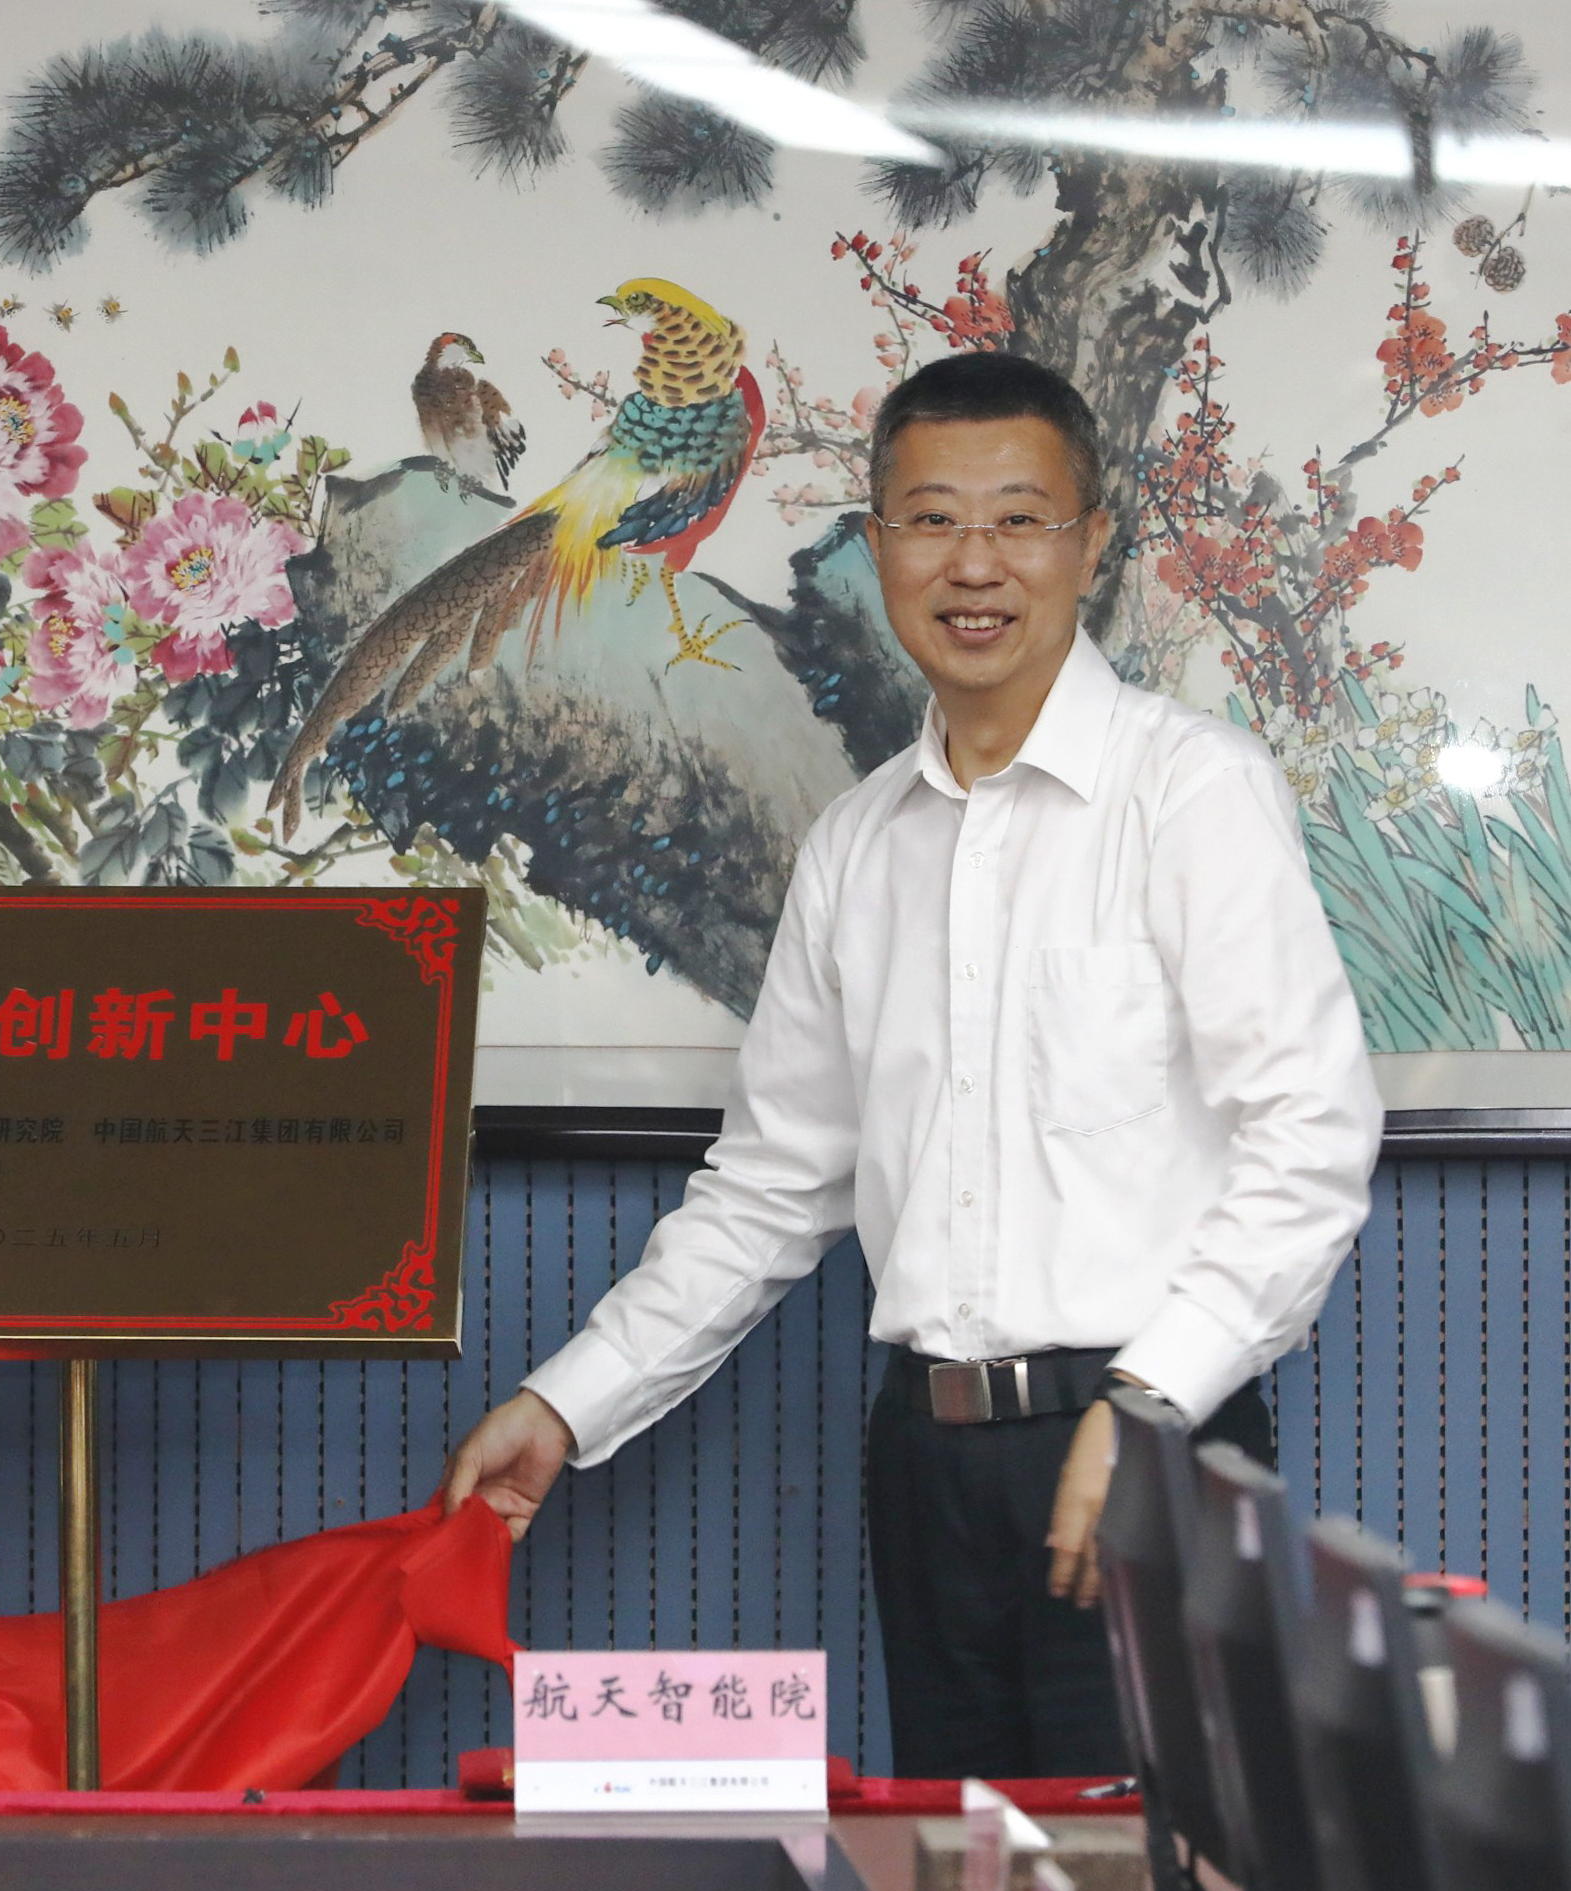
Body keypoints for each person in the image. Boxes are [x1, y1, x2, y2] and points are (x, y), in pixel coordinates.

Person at [440, 350, 1381, 1779]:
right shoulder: (858, 845)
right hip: (927, 1466)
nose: (974, 562)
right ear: (880, 546)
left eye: (1019, 519)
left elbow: (1310, 1142)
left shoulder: (1192, 792)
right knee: (959, 1869)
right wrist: (571, 1401)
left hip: (1153, 1443)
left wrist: (1149, 1404)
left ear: (1092, 544)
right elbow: (771, 1185)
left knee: (1156, 1877)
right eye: (933, 519)